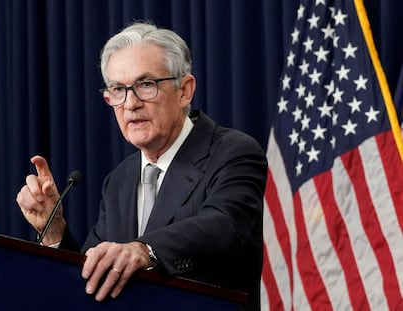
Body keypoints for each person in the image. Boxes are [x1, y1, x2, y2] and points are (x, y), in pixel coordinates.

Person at [16, 22, 267, 311]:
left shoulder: (232, 152)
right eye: (118, 90)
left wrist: (144, 250)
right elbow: (95, 276)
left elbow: (223, 226)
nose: (130, 103)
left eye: (145, 85)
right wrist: (54, 231)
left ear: (184, 90)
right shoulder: (119, 180)